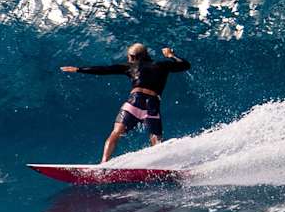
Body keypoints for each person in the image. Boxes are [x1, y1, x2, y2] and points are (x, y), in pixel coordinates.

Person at [61, 43, 191, 162]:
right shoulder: (162, 65)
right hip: (152, 105)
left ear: (132, 56)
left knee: (116, 132)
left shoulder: (130, 66)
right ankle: (160, 166)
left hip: (134, 103)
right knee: (156, 139)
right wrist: (171, 55)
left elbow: (104, 70)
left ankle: (104, 163)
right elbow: (185, 65)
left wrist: (78, 69)